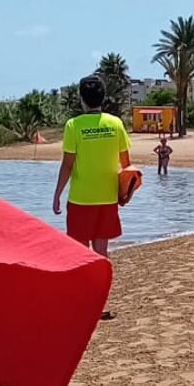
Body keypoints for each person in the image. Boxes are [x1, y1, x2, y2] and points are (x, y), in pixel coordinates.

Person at [53, 74, 131, 266]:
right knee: (101, 250)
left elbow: (68, 165)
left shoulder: (74, 125)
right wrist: (125, 193)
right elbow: (127, 165)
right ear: (103, 97)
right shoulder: (116, 123)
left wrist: (57, 195)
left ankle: (85, 288)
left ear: (82, 98)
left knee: (80, 251)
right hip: (108, 197)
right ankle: (101, 285)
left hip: (81, 198)